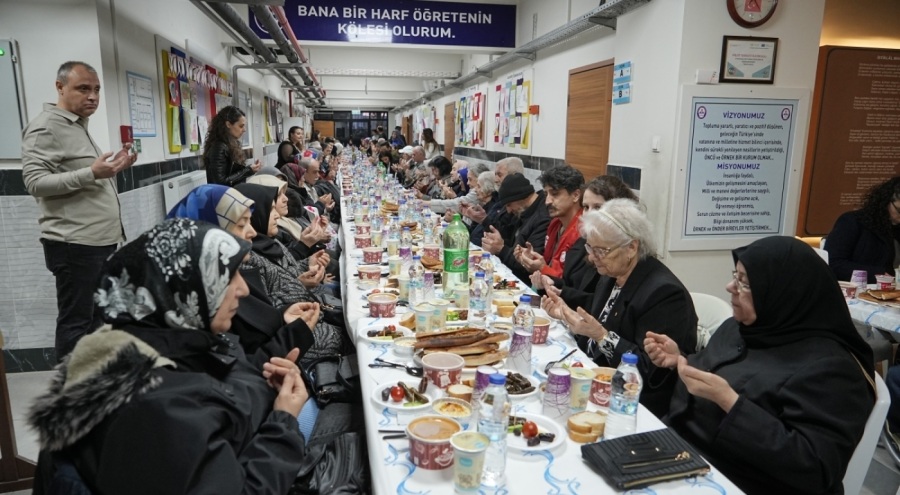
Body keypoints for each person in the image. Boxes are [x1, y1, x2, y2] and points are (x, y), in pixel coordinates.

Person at [29, 218, 312, 494]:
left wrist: (275, 369)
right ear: (185, 288)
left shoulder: (155, 339)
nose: (243, 289)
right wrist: (284, 424)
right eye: (227, 277)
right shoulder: (156, 408)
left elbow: (223, 384)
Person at [646, 236, 876, 494]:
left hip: (744, 482)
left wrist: (731, 403)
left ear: (782, 292)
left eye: (744, 283)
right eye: (736, 275)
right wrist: (679, 360)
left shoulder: (833, 370)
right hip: (687, 457)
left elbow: (815, 469)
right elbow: (714, 373)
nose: (730, 286)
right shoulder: (741, 327)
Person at [22, 60, 137, 360]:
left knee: (96, 320)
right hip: (74, 245)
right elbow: (35, 182)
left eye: (96, 90)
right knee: (77, 323)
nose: (93, 96)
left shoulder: (76, 126)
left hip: (97, 242)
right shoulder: (45, 128)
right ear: (60, 87)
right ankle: (71, 398)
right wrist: (92, 173)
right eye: (83, 89)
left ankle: (91, 388)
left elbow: (87, 178)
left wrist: (113, 169)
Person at [543, 199, 697, 416]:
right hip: (598, 381)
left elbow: (648, 371)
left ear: (632, 247)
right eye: (590, 248)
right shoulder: (613, 273)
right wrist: (566, 317)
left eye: (601, 251)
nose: (591, 257)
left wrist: (601, 336)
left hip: (635, 404)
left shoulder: (664, 294)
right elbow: (595, 324)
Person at [166, 184, 321, 355]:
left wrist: (283, 316)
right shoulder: (199, 295)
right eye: (241, 225)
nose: (253, 232)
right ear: (212, 228)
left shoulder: (228, 268)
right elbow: (245, 364)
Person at [537, 175, 640, 308]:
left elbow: (602, 303)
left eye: (597, 207)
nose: (588, 215)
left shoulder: (620, 253)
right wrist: (551, 284)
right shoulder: (581, 243)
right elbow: (573, 285)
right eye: (586, 207)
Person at [825, 177, 900, 283]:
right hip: (855, 289)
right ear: (886, 202)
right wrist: (878, 274)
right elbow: (833, 263)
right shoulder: (852, 222)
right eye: (899, 210)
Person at [480, 173, 551, 282]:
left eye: (509, 205)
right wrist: (498, 242)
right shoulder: (523, 211)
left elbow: (529, 264)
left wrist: (501, 249)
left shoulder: (542, 218)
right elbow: (515, 245)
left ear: (520, 197)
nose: (508, 210)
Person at [519, 165, 585, 279]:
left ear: (575, 195)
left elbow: (570, 285)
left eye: (555, 194)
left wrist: (542, 268)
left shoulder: (583, 232)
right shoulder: (555, 224)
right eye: (546, 194)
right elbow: (550, 264)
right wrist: (532, 259)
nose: (547, 201)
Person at [202, 105, 260, 186]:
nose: (244, 130)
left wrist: (250, 169)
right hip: (223, 196)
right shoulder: (218, 147)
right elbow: (220, 182)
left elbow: (232, 173)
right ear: (228, 124)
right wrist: (248, 170)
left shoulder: (230, 144)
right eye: (241, 126)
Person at [465, 171, 500, 245]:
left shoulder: (494, 209)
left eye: (479, 186)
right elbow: (473, 232)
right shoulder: (485, 206)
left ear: (489, 191)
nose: (475, 190)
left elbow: (480, 236)